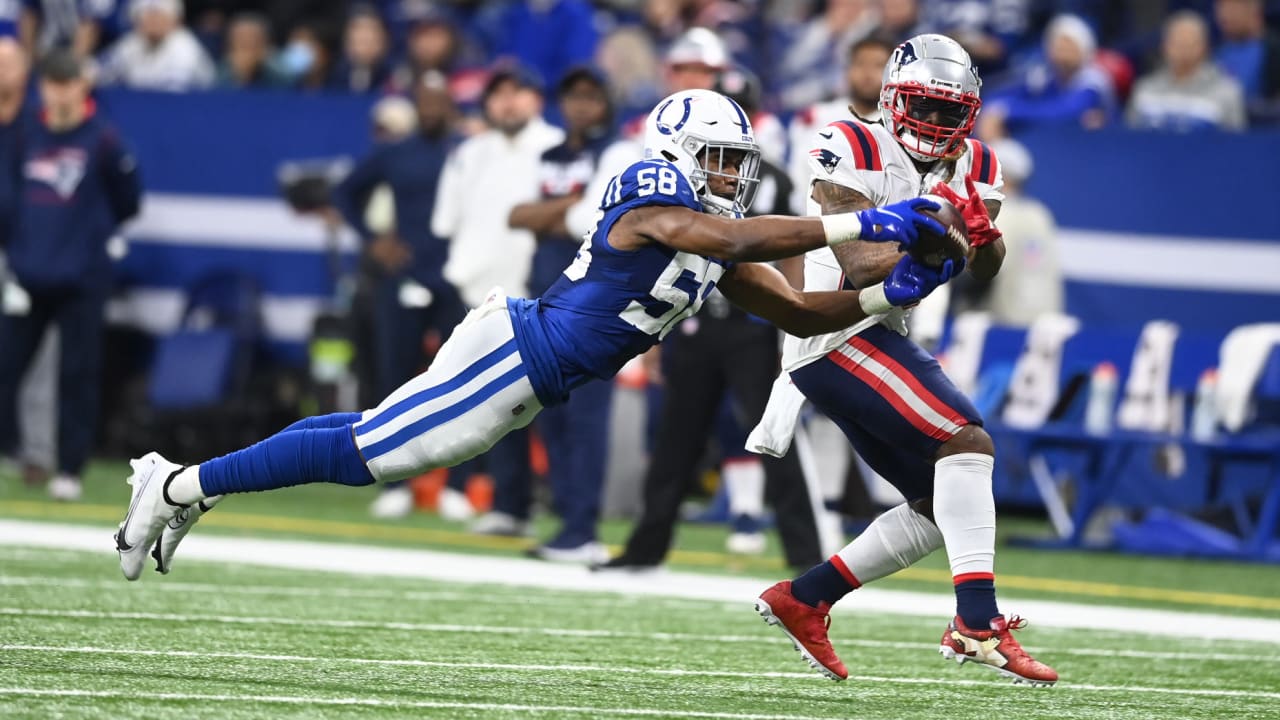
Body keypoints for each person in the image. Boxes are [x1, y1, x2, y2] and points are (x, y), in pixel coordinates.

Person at [112, 88, 955, 588]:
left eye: (740, 163)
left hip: (528, 362)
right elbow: (729, 240)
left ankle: (185, 482)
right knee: (370, 453)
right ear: (679, 148)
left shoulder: (706, 235)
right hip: (521, 354)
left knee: (365, 436)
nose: (733, 178)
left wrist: (886, 290)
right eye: (721, 160)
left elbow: (802, 313)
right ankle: (181, 486)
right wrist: (862, 223)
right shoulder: (655, 186)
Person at [751, 35, 1058, 687]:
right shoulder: (850, 141)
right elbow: (862, 262)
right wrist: (940, 239)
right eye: (925, 106)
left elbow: (983, 272)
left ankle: (804, 598)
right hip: (835, 327)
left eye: (952, 112)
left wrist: (981, 237)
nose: (938, 123)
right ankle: (977, 624)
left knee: (936, 500)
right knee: (965, 439)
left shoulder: (976, 161)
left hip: (882, 330)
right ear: (892, 98)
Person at [425, 64, 564, 536]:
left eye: (518, 92)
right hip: (475, 297)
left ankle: (562, 508)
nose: (508, 102)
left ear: (536, 99)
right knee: (486, 404)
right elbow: (446, 224)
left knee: (546, 407)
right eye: (499, 94)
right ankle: (503, 502)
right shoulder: (470, 153)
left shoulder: (556, 150)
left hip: (540, 297)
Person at [0, 48, 141, 501]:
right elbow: (11, 201)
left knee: (77, 373)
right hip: (28, 274)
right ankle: (13, 450)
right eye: (53, 83)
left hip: (81, 278)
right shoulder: (25, 135)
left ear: (82, 86)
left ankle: (70, 468)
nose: (60, 93)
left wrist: (92, 243)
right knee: (7, 367)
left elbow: (128, 201)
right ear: (43, 87)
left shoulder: (102, 140)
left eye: (68, 83)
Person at [330, 71, 468, 520]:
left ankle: (459, 484)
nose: (430, 109)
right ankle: (398, 481)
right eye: (422, 101)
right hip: (404, 275)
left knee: (462, 381)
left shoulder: (467, 153)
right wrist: (374, 240)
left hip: (456, 278)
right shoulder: (396, 153)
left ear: (449, 105)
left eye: (437, 101)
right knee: (396, 380)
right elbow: (345, 192)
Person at [507, 66, 616, 562]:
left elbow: (593, 219)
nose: (580, 106)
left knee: (587, 418)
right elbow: (516, 216)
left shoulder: (615, 154)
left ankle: (583, 526)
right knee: (551, 417)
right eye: (572, 96)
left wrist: (555, 211)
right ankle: (567, 520)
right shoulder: (548, 154)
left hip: (592, 302)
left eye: (591, 97)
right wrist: (567, 208)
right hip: (544, 294)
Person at [788, 35, 893, 214]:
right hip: (816, 222)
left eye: (878, 66)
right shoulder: (816, 117)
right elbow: (798, 180)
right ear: (847, 70)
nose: (867, 73)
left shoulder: (900, 126)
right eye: (860, 64)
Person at [981, 14, 1114, 136]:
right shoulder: (1045, 76)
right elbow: (1004, 94)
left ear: (1084, 50)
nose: (1063, 54)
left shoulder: (1094, 81)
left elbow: (1065, 113)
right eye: (1058, 46)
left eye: (1069, 47)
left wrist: (1009, 111)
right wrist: (996, 109)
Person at [1127, 11, 1246, 132]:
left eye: (1190, 43)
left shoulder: (1226, 92)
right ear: (1164, 46)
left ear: (1205, 47)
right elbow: (1130, 138)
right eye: (1177, 43)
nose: (1183, 50)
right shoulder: (1144, 89)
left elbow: (1235, 144)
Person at [97, 0, 215, 91]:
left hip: (191, 113)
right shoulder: (132, 44)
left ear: (174, 20)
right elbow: (95, 70)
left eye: (159, 15)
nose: (153, 21)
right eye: (147, 15)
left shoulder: (184, 46)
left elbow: (169, 95)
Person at [215, 12, 289, 89]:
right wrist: (242, 76)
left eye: (255, 39)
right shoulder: (219, 72)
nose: (249, 43)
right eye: (242, 40)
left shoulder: (279, 70)